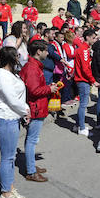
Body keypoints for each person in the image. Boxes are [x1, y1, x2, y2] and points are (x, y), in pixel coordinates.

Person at [0, 47, 28, 198]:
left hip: (13, 117)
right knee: (7, 157)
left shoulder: (11, 74)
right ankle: (5, 194)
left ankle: (10, 187)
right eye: (17, 56)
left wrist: (23, 110)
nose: (19, 58)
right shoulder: (2, 75)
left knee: (11, 156)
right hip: (6, 118)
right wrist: (26, 110)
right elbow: (12, 100)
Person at [21, 40, 56, 182]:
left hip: (37, 106)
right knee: (32, 140)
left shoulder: (34, 66)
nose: (48, 53)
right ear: (38, 52)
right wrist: (49, 89)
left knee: (31, 139)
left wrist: (48, 87)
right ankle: (31, 171)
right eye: (46, 50)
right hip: (35, 107)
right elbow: (34, 90)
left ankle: (31, 166)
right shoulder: (32, 68)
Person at [73, 29, 97, 136]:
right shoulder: (84, 50)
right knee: (83, 104)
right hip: (83, 80)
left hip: (82, 79)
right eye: (93, 38)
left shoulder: (84, 49)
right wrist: (93, 80)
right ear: (87, 37)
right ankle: (81, 128)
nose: (94, 40)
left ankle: (78, 125)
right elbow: (85, 68)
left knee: (82, 104)